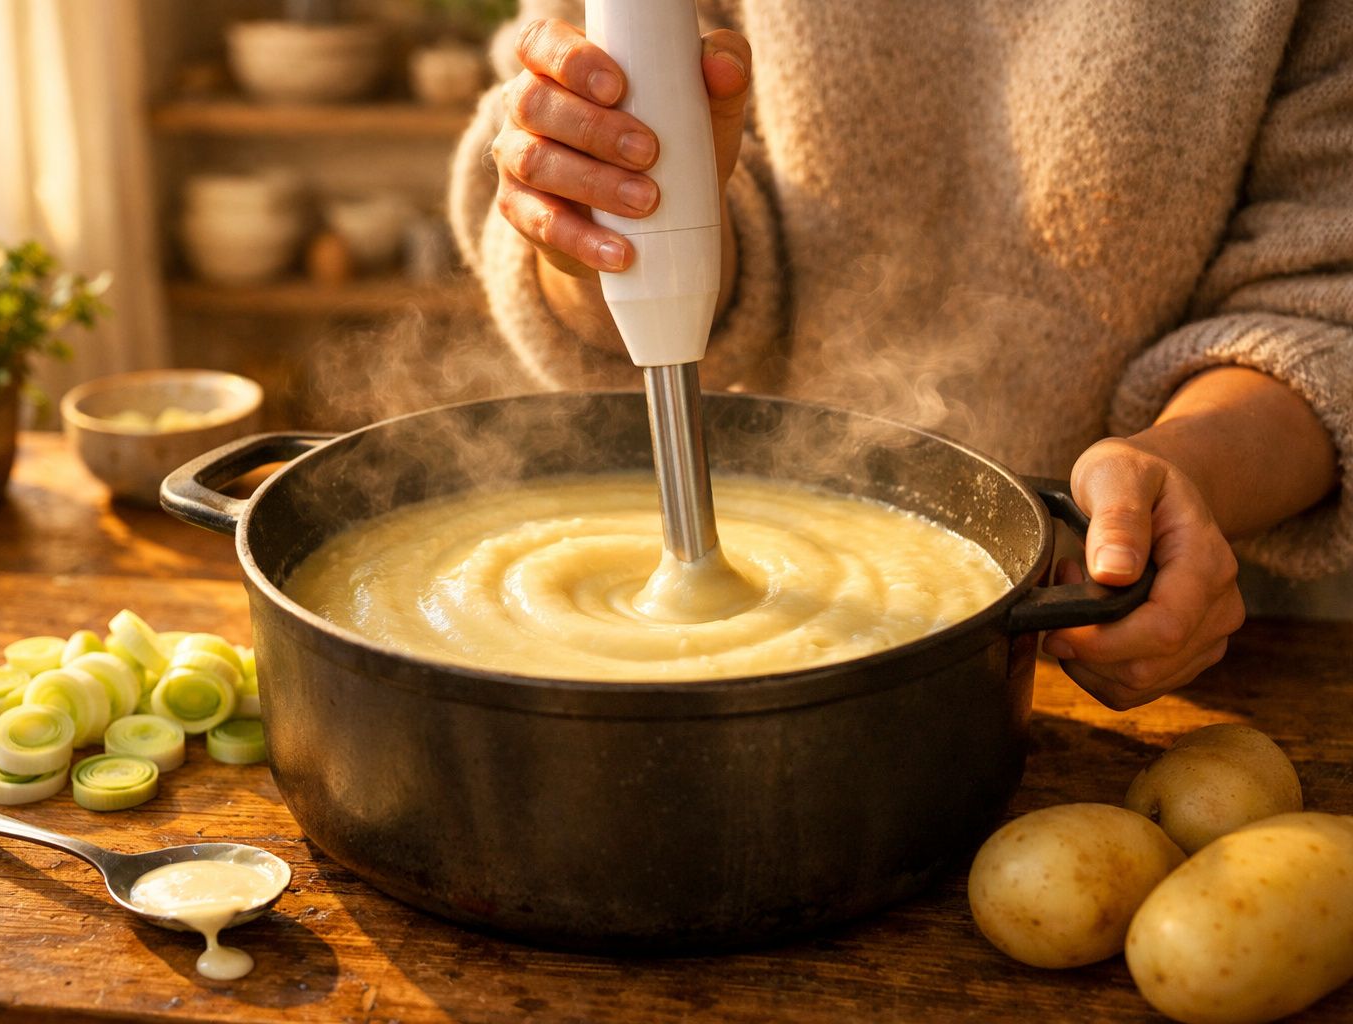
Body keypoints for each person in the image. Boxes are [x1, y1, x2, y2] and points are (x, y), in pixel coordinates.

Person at [447, 1, 1350, 710]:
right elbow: (593, 133)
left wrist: (1181, 470)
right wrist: (583, 232)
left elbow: (1322, 288)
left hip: (1214, 651)